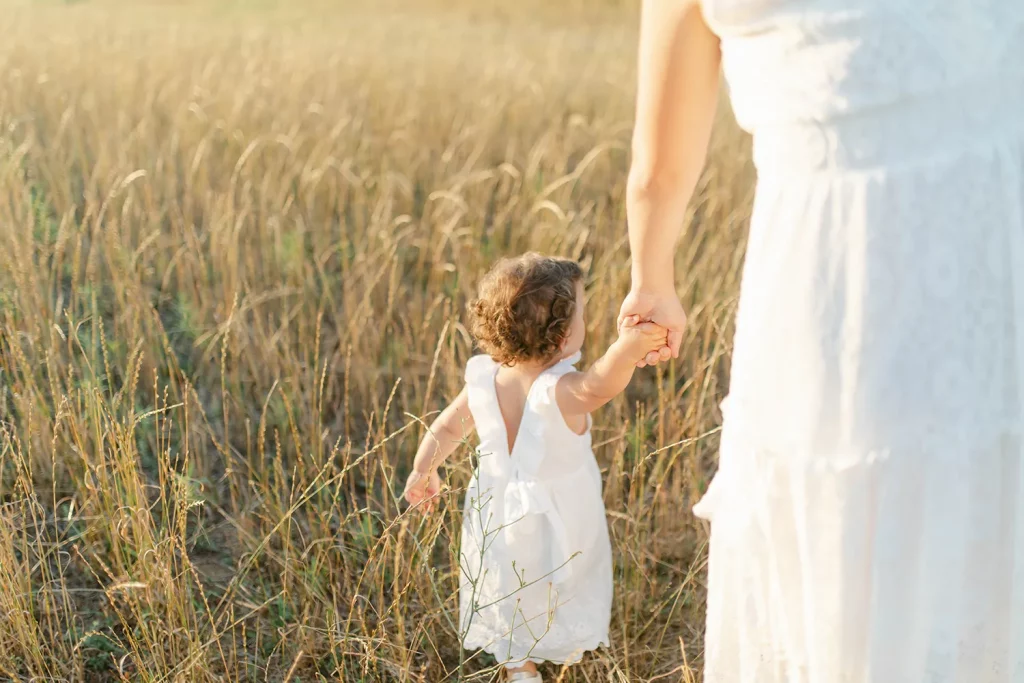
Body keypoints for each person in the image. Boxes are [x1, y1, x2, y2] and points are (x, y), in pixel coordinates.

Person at [618, 0, 1024, 680]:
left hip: (823, 295)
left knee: (839, 549)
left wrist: (650, 278)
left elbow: (657, 170)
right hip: (991, 261)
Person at [404, 253, 667, 682]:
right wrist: (630, 346)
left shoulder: (484, 379)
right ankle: (550, 643)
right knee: (559, 578)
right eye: (581, 311)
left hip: (495, 508)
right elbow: (601, 383)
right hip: (558, 513)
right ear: (562, 336)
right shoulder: (561, 390)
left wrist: (423, 469)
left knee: (504, 579)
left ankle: (518, 665)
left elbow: (448, 426)